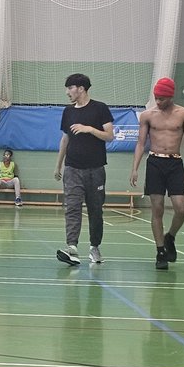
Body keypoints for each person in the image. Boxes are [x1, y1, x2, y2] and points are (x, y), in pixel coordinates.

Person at [129, 77, 184, 270]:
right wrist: (135, 168)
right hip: (155, 163)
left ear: (171, 96)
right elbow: (141, 143)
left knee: (181, 208)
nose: (158, 102)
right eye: (156, 98)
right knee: (157, 208)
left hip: (175, 163)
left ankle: (171, 236)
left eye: (162, 99)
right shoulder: (147, 115)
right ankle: (160, 251)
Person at [54, 73, 114, 266]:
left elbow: (109, 136)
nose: (67, 92)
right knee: (72, 208)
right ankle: (71, 247)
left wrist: (90, 129)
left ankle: (94, 247)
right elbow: (65, 139)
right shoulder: (68, 112)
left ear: (81, 89)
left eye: (70, 88)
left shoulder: (100, 108)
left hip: (95, 170)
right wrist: (58, 165)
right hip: (72, 169)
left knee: (96, 211)